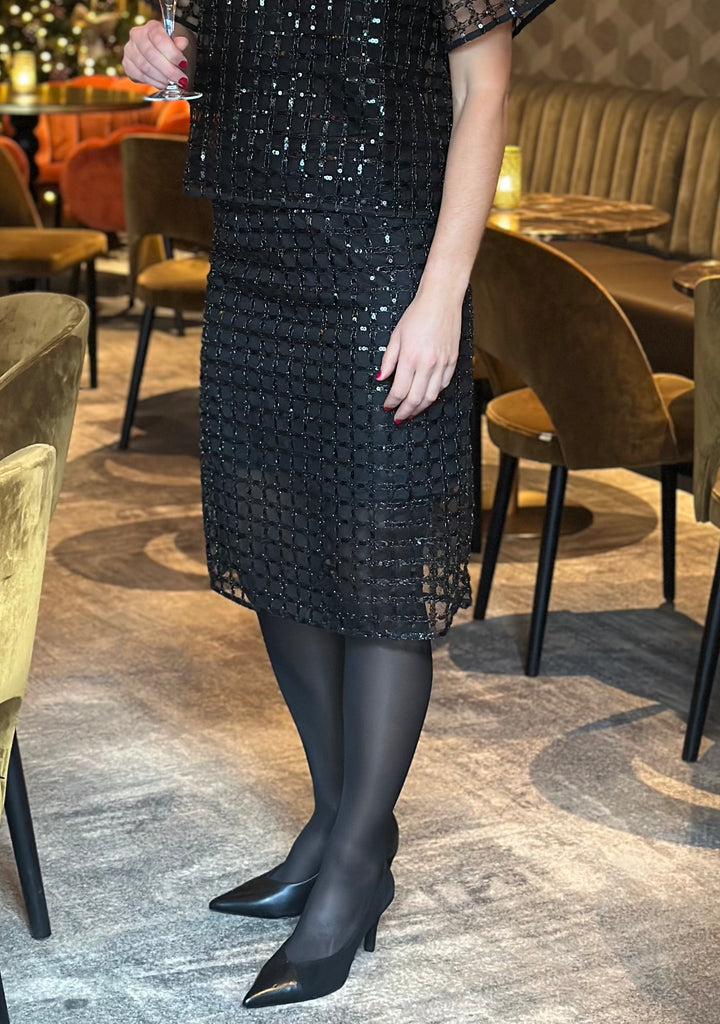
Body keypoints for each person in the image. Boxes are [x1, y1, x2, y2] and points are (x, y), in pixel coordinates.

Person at [123, 0, 555, 1008]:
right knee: (275, 542)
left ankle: (357, 862)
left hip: (382, 263)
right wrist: (157, 48)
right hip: (255, 264)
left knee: (378, 567)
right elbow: (204, 38)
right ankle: (334, 819)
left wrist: (441, 292)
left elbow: (483, 92)